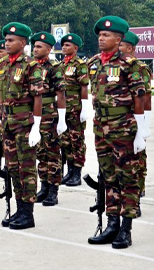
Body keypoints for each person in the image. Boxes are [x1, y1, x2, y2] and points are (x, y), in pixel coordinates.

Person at [87, 16, 147, 249]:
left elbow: (139, 98)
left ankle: (126, 229)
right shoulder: (97, 64)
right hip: (101, 128)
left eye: (106, 35)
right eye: (100, 35)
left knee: (127, 178)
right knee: (108, 176)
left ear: (119, 39)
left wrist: (141, 130)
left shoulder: (131, 65)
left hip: (123, 127)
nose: (101, 38)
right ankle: (111, 225)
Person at [0, 22, 44, 230]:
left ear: (23, 43)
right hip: (8, 124)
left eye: (12, 40)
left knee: (27, 169)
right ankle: (18, 208)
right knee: (13, 168)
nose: (7, 43)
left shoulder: (31, 66)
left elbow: (37, 98)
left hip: (25, 124)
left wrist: (36, 127)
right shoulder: (3, 65)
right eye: (6, 40)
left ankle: (28, 213)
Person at [30, 32, 67, 206]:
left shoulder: (54, 67)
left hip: (49, 113)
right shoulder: (31, 66)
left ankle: (53, 190)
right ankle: (43, 186)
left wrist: (61, 119)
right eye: (34, 46)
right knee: (40, 152)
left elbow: (60, 93)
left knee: (52, 153)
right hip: (34, 113)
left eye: (39, 47)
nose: (35, 49)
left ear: (49, 49)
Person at [121, 31, 151, 216]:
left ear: (130, 48)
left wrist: (144, 127)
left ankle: (137, 194)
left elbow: (145, 99)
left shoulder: (139, 68)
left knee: (137, 160)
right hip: (119, 123)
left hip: (136, 120)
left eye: (121, 45)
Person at [59, 33, 91, 187]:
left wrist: (84, 108)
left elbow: (84, 87)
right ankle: (69, 171)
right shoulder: (61, 65)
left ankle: (76, 173)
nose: (64, 47)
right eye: (63, 45)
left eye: (68, 45)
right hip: (63, 109)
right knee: (65, 141)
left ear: (76, 48)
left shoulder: (80, 65)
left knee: (76, 140)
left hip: (76, 109)